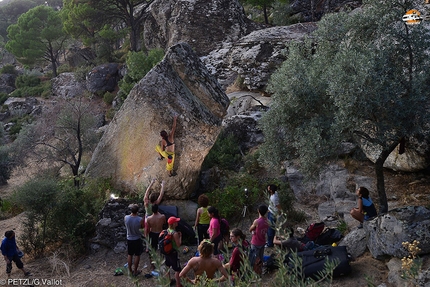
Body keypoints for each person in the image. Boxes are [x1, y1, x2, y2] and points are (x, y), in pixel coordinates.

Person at [143, 179, 165, 251]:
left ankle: (147, 246)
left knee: (147, 233)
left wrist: (151, 183)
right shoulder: (156, 203)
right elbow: (161, 195)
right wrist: (163, 186)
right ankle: (159, 246)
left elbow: (146, 193)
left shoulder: (146, 203)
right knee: (155, 231)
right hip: (155, 217)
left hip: (148, 218)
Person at [124, 204, 145, 276]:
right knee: (137, 255)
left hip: (129, 238)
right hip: (137, 238)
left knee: (130, 254)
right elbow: (142, 227)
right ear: (137, 211)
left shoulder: (126, 218)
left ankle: (130, 271)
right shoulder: (140, 219)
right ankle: (135, 271)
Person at [163, 217, 183, 287]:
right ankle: (178, 284)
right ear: (173, 224)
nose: (177, 222)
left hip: (167, 252)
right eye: (176, 221)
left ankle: (168, 281)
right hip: (173, 253)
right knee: (177, 269)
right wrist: (180, 237)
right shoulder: (175, 233)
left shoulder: (166, 231)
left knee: (167, 266)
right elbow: (178, 245)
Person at [145, 204, 166, 268]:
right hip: (160, 233)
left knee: (152, 250)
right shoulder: (162, 216)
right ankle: (162, 262)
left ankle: (152, 265)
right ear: (158, 209)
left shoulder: (148, 218)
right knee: (162, 249)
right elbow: (164, 223)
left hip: (153, 233)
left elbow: (148, 228)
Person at [249, 205, 269, 269]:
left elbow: (250, 229)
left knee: (254, 258)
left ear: (258, 211)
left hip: (255, 242)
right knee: (261, 256)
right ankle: (260, 269)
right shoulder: (268, 221)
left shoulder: (257, 221)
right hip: (262, 241)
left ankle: (254, 270)